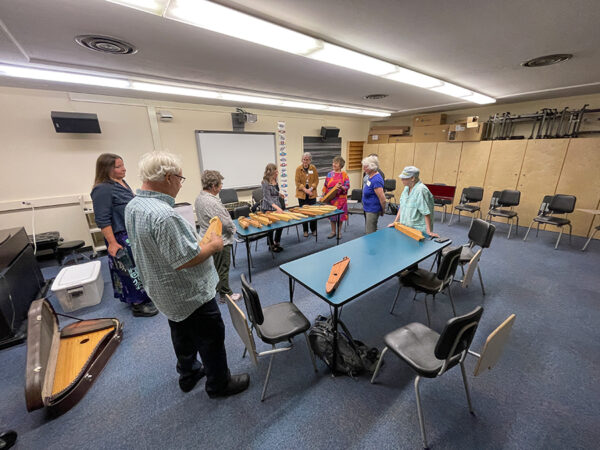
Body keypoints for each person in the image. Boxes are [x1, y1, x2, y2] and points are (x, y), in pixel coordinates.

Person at [125, 151, 249, 397]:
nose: (181, 185)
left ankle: (189, 372)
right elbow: (187, 259)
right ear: (169, 177)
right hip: (189, 293)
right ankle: (219, 384)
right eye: (181, 179)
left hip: (164, 291)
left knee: (181, 332)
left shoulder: (134, 205)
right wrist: (213, 246)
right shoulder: (164, 215)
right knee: (211, 337)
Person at [90, 153, 158, 317]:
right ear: (107, 169)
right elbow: (102, 219)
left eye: (123, 165)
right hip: (119, 237)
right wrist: (112, 243)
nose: (124, 168)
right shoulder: (102, 189)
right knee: (129, 270)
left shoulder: (121, 183)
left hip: (131, 232)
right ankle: (137, 303)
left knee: (139, 266)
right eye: (118, 166)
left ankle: (143, 295)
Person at [195, 170, 242, 304]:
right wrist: (234, 229)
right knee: (223, 267)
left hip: (207, 237)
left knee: (215, 266)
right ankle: (226, 294)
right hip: (220, 240)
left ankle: (218, 287)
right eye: (220, 184)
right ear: (213, 186)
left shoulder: (200, 197)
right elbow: (225, 222)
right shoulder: (212, 202)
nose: (221, 187)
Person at [388, 166, 439, 238]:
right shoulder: (406, 188)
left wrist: (429, 231)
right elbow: (402, 206)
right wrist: (395, 222)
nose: (402, 180)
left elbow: (426, 212)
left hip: (418, 231)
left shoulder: (421, 190)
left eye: (404, 178)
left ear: (412, 178)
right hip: (406, 227)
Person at [322, 156, 349, 239]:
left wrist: (341, 188)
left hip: (341, 199)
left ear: (340, 165)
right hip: (331, 199)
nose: (334, 164)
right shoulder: (329, 174)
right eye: (333, 162)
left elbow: (347, 186)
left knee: (340, 216)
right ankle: (333, 231)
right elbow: (325, 185)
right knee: (332, 216)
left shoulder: (344, 175)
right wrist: (323, 195)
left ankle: (339, 232)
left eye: (336, 163)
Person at [261, 163, 285, 252]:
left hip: (276, 205)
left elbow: (274, 192)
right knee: (270, 228)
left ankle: (277, 242)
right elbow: (267, 198)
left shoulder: (275, 180)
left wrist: (279, 194)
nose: (277, 173)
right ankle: (271, 245)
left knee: (280, 225)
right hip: (268, 208)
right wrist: (277, 208)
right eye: (276, 171)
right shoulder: (265, 182)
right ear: (271, 172)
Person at [294, 152, 319, 237]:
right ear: (302, 160)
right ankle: (305, 230)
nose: (305, 161)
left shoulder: (313, 168)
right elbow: (297, 183)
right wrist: (306, 190)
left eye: (307, 160)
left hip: (312, 193)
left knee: (313, 212)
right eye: (304, 159)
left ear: (310, 160)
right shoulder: (298, 169)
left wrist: (311, 189)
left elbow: (316, 181)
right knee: (303, 213)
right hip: (302, 194)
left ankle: (313, 230)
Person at [361, 155, 387, 234]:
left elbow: (383, 199)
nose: (364, 169)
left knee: (370, 233)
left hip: (372, 210)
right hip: (368, 208)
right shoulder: (370, 176)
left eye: (365, 167)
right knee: (370, 231)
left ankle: (371, 246)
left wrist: (382, 210)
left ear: (372, 167)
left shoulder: (376, 179)